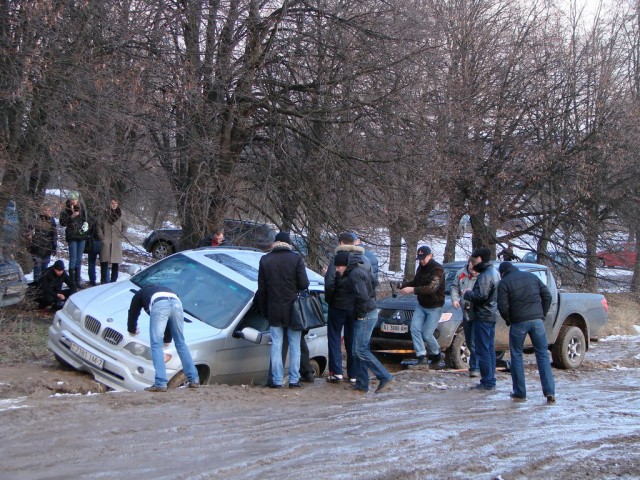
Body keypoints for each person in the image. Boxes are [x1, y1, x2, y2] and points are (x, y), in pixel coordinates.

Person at [256, 231, 309, 389]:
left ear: (275, 243)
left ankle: (277, 381)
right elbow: (304, 284)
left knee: (276, 345)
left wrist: (264, 310)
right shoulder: (296, 258)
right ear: (288, 244)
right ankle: (294, 380)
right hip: (293, 310)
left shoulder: (265, 260)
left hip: (273, 308)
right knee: (294, 345)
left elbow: (262, 289)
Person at [497, 261, 556, 404]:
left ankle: (520, 392)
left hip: (518, 323)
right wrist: (541, 314)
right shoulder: (531, 277)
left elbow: (502, 306)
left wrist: (509, 319)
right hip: (537, 321)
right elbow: (547, 296)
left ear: (502, 273)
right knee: (542, 355)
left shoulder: (504, 283)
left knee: (516, 356)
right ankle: (549, 391)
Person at [335, 250, 393, 393]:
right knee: (357, 349)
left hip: (365, 315)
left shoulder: (355, 275)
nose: (336, 269)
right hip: (365, 313)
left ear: (344, 265)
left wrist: (360, 315)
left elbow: (362, 297)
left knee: (360, 350)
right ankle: (362, 383)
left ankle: (384, 376)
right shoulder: (358, 271)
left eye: (338, 267)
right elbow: (373, 284)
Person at [127, 285, 200, 392]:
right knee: (180, 342)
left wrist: (132, 329)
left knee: (156, 344)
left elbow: (133, 312)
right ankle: (193, 379)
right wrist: (167, 340)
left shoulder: (139, 294)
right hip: (177, 303)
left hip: (159, 304)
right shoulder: (165, 290)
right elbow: (169, 319)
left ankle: (160, 382)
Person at [323, 232, 372, 383]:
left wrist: (330, 300)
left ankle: (336, 372)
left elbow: (330, 282)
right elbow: (370, 283)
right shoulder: (364, 260)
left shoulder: (337, 259)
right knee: (352, 339)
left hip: (338, 305)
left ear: (341, 242)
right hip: (355, 306)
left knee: (334, 337)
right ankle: (354, 374)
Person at [397, 245, 446, 367]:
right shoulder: (420, 268)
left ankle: (437, 353)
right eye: (420, 258)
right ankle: (421, 356)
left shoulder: (437, 270)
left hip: (435, 306)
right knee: (414, 329)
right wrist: (402, 285)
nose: (421, 260)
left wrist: (412, 289)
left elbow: (431, 288)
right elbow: (415, 282)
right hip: (421, 304)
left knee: (427, 334)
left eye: (424, 258)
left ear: (430, 256)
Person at [463, 247, 501, 391]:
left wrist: (467, 293)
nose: (473, 264)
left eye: (475, 260)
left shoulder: (486, 274)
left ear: (481, 259)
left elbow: (481, 296)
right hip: (490, 315)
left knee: (483, 349)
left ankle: (487, 381)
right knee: (489, 349)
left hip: (483, 316)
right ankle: (490, 378)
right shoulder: (494, 272)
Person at [451, 256, 479, 377]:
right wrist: (455, 299)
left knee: (474, 340)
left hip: (477, 311)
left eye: (476, 269)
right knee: (468, 339)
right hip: (465, 311)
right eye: (472, 268)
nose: (474, 272)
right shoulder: (461, 274)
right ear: (469, 264)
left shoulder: (482, 275)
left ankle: (475, 367)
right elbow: (454, 287)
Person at [59, 191, 88, 288]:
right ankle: (72, 281)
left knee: (79, 259)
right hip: (72, 235)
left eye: (75, 199)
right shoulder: (66, 209)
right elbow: (62, 223)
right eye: (72, 199)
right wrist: (71, 217)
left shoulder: (82, 207)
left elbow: (86, 219)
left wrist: (85, 225)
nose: (73, 201)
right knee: (73, 258)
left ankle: (77, 280)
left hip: (81, 235)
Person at [27, 204, 57, 283]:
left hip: (47, 247)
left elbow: (54, 234)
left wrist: (54, 246)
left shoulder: (52, 220)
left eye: (49, 210)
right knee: (37, 267)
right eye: (46, 210)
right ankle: (36, 286)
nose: (48, 212)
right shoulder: (36, 219)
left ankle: (43, 286)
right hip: (36, 247)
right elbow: (29, 231)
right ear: (42, 211)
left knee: (45, 268)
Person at [98, 198, 125, 283]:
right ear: (109, 203)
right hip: (106, 240)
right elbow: (98, 226)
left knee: (115, 263)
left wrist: (121, 236)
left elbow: (125, 226)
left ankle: (113, 282)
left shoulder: (121, 213)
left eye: (116, 203)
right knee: (104, 263)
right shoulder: (104, 213)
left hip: (116, 241)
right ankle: (103, 282)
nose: (114, 205)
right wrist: (102, 238)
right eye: (112, 203)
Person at [85, 213, 103, 286]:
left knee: (91, 262)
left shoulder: (90, 218)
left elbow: (87, 229)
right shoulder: (104, 217)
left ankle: (92, 280)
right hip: (101, 241)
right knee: (104, 263)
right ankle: (105, 280)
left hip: (92, 241)